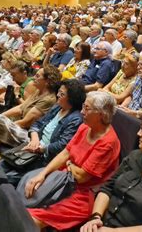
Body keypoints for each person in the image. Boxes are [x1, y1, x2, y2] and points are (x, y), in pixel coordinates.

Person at [24, 91, 121, 230]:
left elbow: (81, 177)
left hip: (82, 195)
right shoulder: (85, 127)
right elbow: (66, 153)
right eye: (83, 106)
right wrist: (43, 174)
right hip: (63, 179)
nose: (82, 112)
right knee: (27, 193)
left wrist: (69, 163)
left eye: (87, 108)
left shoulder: (108, 143)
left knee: (30, 218)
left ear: (101, 114)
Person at [1, 79, 86, 186]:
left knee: (6, 179)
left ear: (72, 99)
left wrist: (40, 148)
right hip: (33, 146)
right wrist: (35, 139)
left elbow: (62, 145)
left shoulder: (76, 119)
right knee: (0, 166)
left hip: (45, 158)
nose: (58, 95)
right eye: (58, 92)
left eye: (62, 94)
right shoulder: (57, 107)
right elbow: (38, 124)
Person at [0, 66, 59, 148]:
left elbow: (25, 123)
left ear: (47, 81)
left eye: (37, 76)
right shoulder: (39, 91)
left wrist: (5, 122)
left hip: (27, 134)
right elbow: (21, 108)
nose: (34, 78)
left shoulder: (48, 100)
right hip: (18, 124)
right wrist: (2, 115)